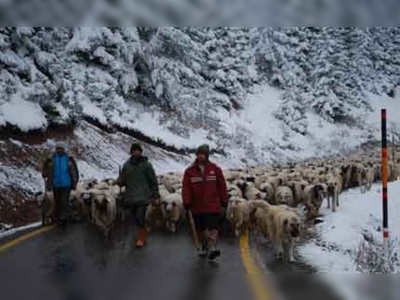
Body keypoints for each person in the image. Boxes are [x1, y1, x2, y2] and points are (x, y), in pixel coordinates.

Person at [182, 144, 228, 260]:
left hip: (212, 204)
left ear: (207, 156)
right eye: (199, 154)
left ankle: (212, 247)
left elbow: (222, 186)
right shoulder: (190, 171)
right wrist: (186, 202)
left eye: (203, 154)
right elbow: (186, 188)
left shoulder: (215, 169)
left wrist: (224, 201)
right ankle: (203, 245)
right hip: (197, 206)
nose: (201, 156)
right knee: (200, 228)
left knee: (213, 227)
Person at [117, 142, 160, 248]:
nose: (136, 152)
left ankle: (141, 238)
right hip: (130, 196)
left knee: (140, 216)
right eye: (134, 150)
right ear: (131, 152)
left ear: (141, 152)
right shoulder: (126, 165)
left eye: (138, 150)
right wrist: (120, 181)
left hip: (143, 196)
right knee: (134, 218)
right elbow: (123, 180)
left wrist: (155, 194)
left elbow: (153, 180)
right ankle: (143, 230)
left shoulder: (146, 165)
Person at [42, 142, 79, 226]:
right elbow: (45, 169)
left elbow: (75, 171)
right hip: (55, 184)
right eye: (57, 148)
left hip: (66, 184)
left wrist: (75, 181)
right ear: (55, 149)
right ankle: (58, 218)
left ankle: (63, 218)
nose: (59, 150)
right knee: (57, 202)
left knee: (64, 201)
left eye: (61, 148)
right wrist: (44, 173)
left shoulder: (69, 159)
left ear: (64, 149)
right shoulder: (51, 159)